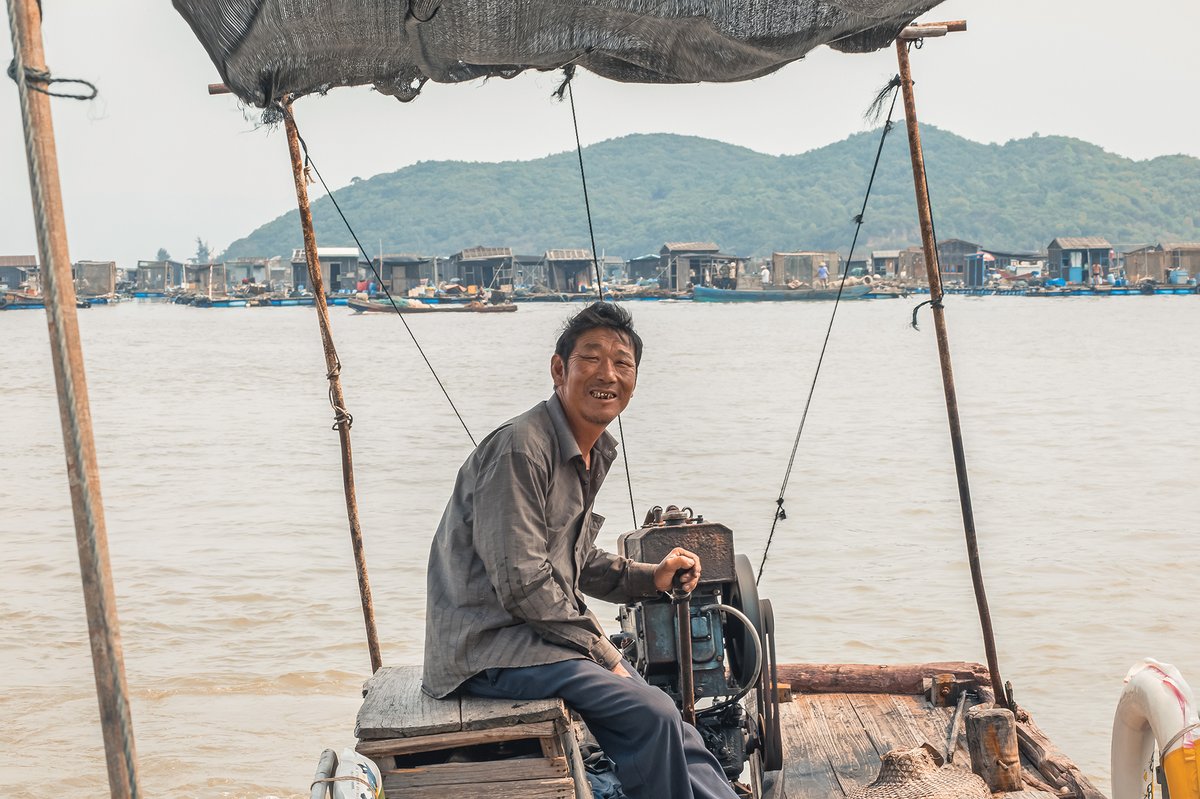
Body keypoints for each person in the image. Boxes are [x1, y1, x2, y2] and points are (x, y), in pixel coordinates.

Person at [423, 301, 739, 799]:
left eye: (623, 362)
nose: (607, 374)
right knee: (651, 712)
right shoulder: (522, 448)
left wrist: (649, 576)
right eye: (591, 358)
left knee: (669, 715)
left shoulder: (589, 450)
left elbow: (570, 559)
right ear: (558, 369)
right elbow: (524, 584)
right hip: (490, 649)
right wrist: (603, 651)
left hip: (537, 638)